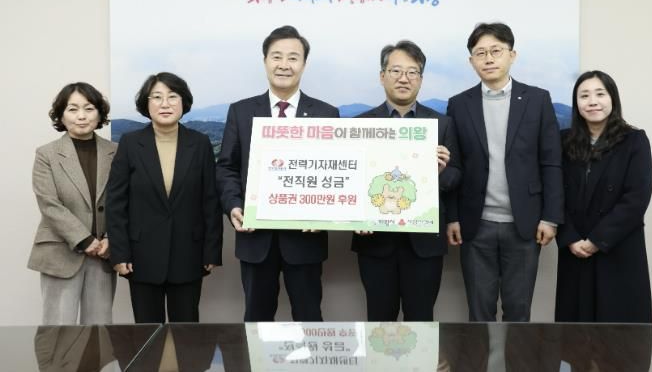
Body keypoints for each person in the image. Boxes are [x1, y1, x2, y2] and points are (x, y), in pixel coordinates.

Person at [216, 25, 339, 322]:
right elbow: (227, 167)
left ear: (304, 64)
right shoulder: (241, 111)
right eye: (277, 56)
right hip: (255, 238)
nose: (284, 64)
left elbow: (337, 171)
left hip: (305, 240)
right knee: (256, 320)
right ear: (265, 61)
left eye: (293, 58)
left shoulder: (326, 114)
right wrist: (234, 206)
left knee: (309, 319)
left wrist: (324, 214)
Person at [446, 22, 563, 321]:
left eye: (496, 51)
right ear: (471, 61)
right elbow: (454, 166)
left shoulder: (537, 100)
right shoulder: (459, 105)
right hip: (475, 224)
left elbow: (551, 162)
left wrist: (550, 218)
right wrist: (453, 217)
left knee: (518, 312)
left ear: (512, 55)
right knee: (479, 312)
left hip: (524, 224)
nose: (488, 58)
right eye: (480, 53)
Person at [352, 40, 461, 321]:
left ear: (421, 79)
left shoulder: (442, 124)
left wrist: (438, 172)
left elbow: (456, 175)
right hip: (375, 242)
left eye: (412, 72)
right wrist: (355, 218)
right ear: (382, 76)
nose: (404, 78)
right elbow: (350, 179)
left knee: (421, 320)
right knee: (379, 321)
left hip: (424, 243)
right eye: (396, 71)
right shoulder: (360, 124)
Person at [106, 72, 222, 323]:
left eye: (172, 96)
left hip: (189, 253)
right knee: (148, 332)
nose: (165, 104)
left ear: (183, 102)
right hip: (141, 256)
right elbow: (116, 203)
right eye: (157, 97)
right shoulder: (130, 143)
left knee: (186, 332)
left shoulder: (200, 143)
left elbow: (210, 201)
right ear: (146, 104)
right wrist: (120, 252)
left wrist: (211, 252)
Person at [555, 70, 652, 323]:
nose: (593, 102)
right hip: (575, 248)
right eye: (584, 96)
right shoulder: (563, 141)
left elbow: (637, 198)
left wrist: (597, 240)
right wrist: (570, 237)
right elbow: (555, 192)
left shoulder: (634, 140)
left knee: (618, 331)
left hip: (618, 247)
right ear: (576, 103)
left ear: (612, 98)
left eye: (600, 94)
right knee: (575, 333)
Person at [28, 82, 117, 324]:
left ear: (99, 113)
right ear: (61, 115)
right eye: (73, 109)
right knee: (58, 330)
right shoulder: (46, 154)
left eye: (89, 108)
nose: (81, 116)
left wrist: (112, 238)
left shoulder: (116, 152)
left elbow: (123, 201)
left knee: (99, 331)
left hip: (103, 253)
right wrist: (85, 240)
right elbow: (49, 204)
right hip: (60, 252)